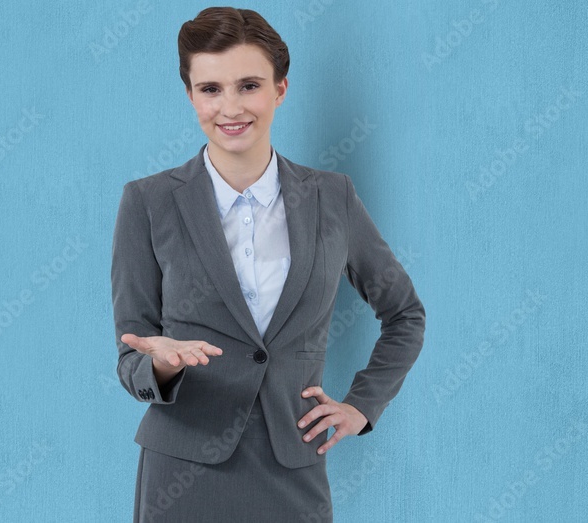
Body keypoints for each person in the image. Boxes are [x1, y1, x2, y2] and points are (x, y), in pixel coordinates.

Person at [111, 7, 426, 522]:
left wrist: (362, 406)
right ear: (190, 95)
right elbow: (131, 358)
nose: (230, 107)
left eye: (249, 85)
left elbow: (405, 314)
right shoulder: (147, 203)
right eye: (210, 89)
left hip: (293, 466)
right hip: (183, 471)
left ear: (280, 89)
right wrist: (162, 363)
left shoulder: (332, 197)